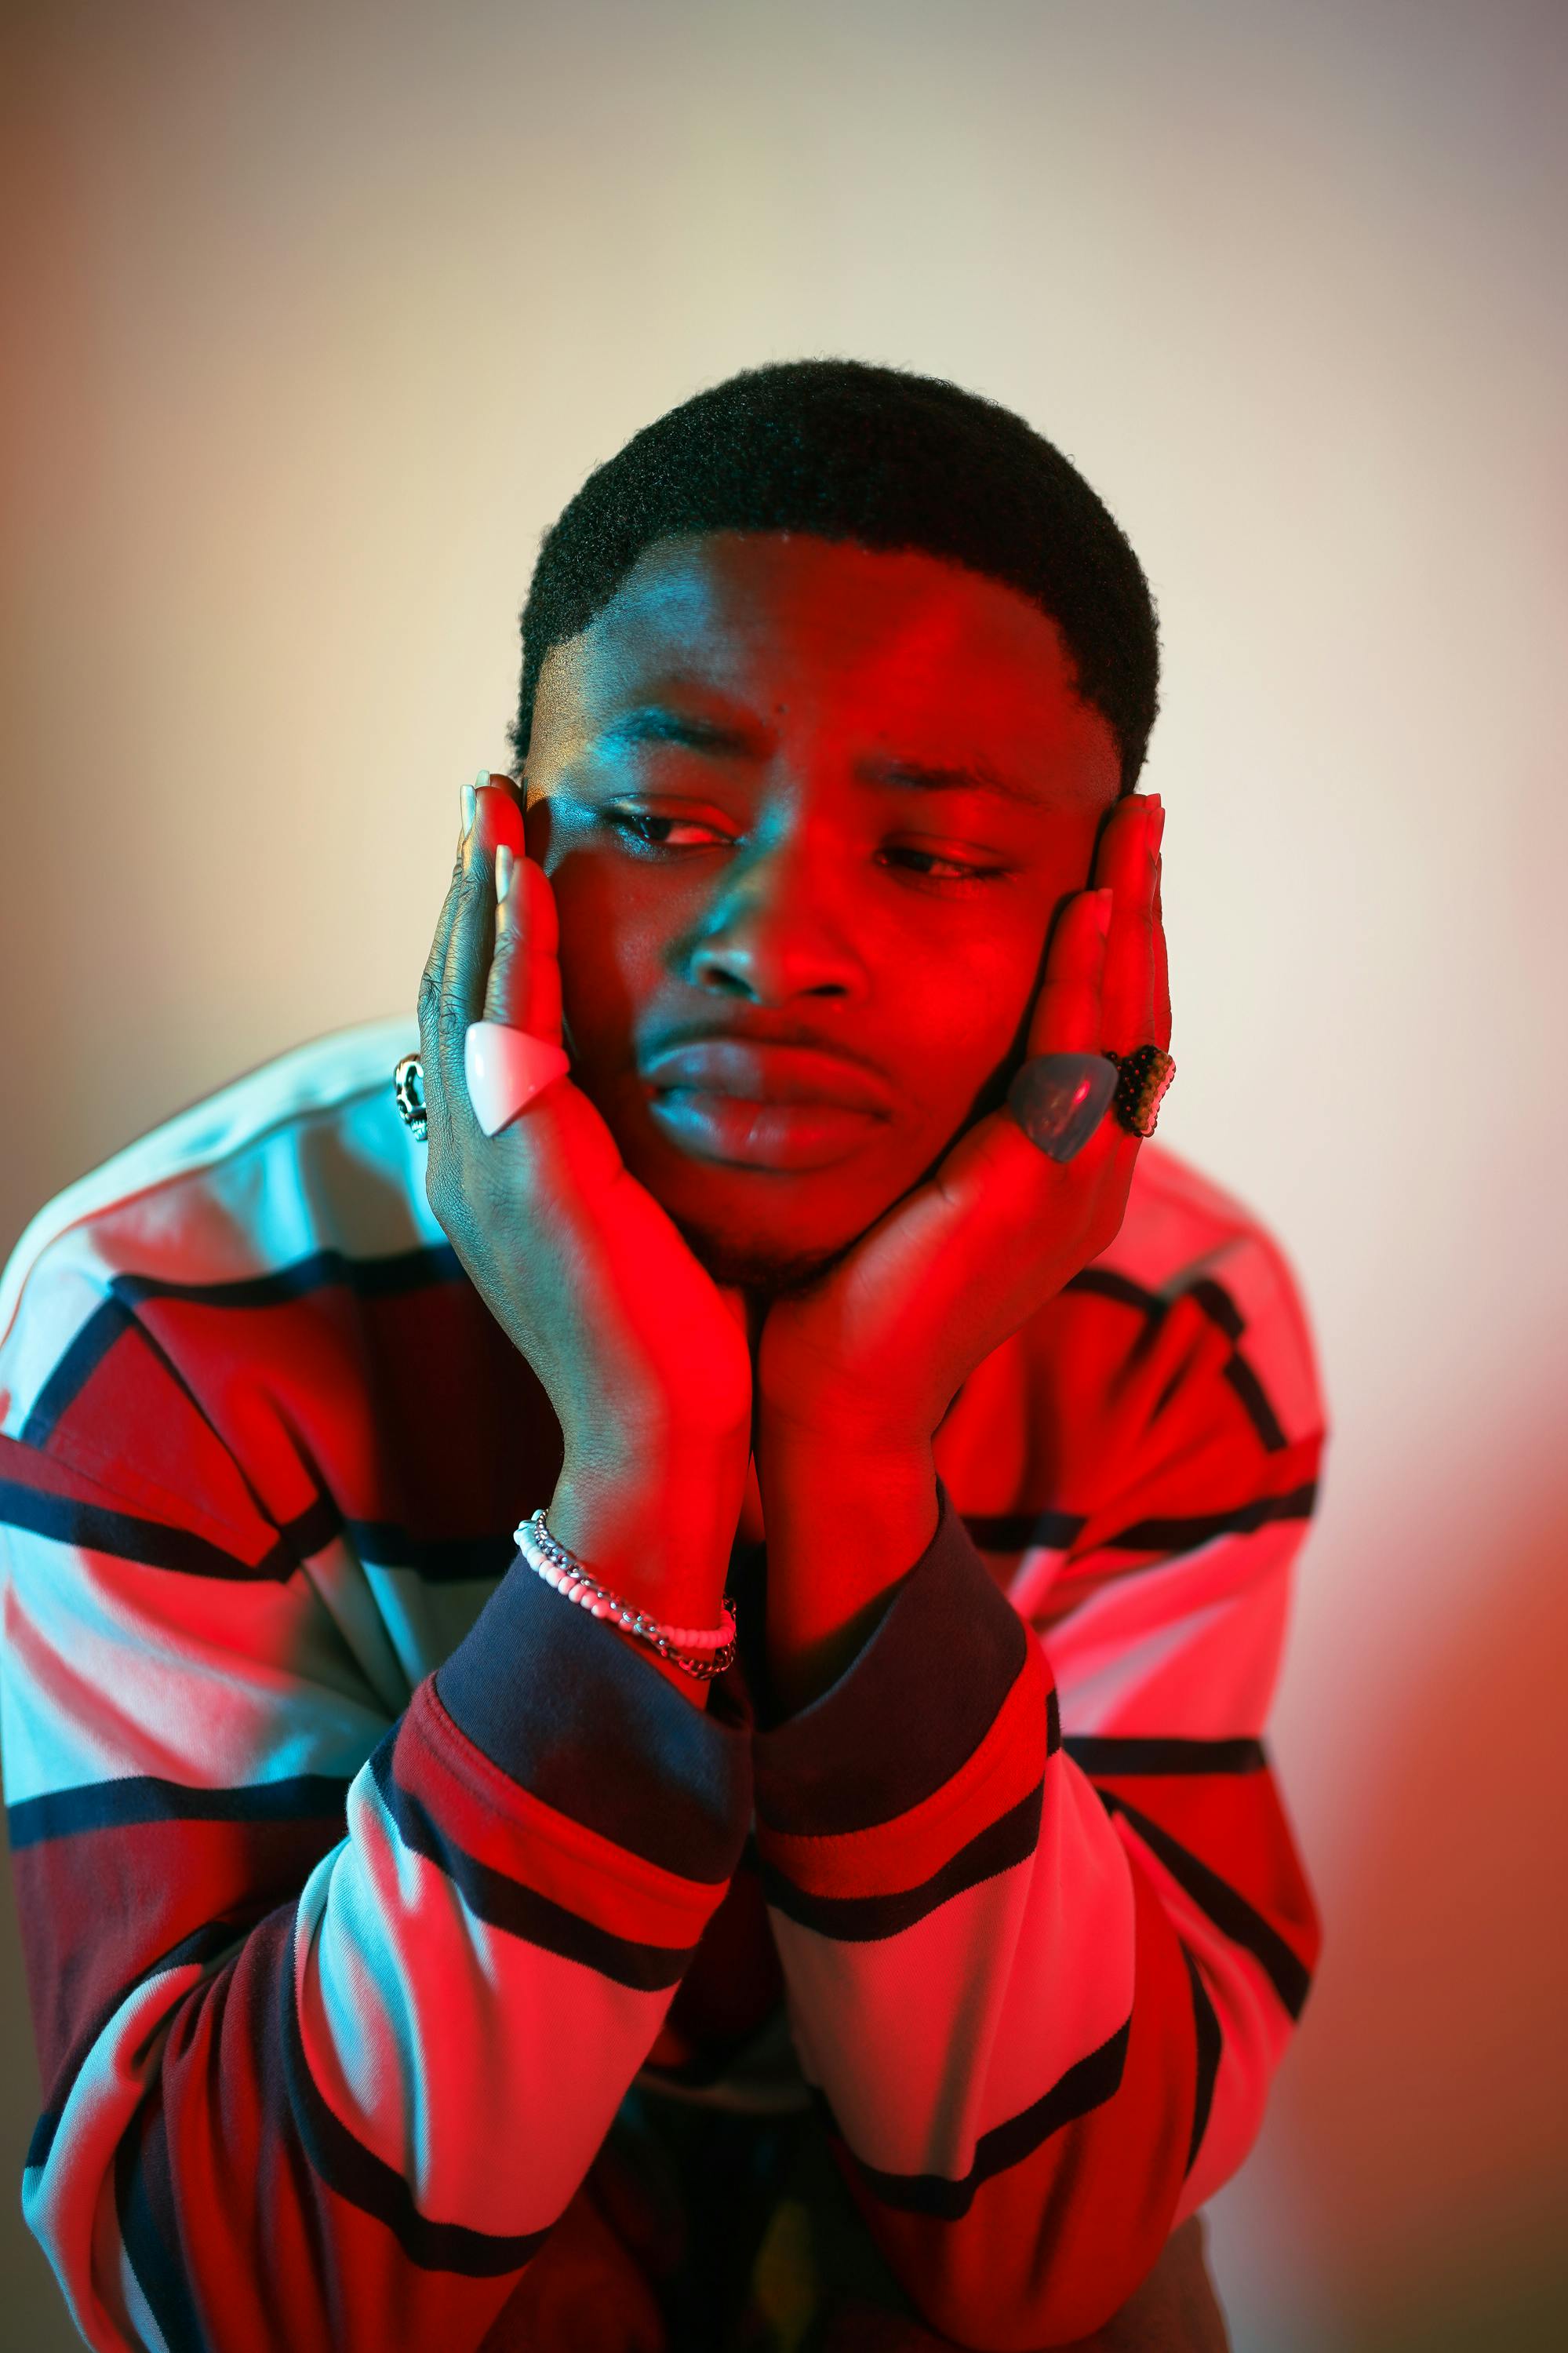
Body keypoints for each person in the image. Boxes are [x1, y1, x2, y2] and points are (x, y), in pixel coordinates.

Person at [0, 361, 1326, 2351]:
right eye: (659, 818)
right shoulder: (164, 1312)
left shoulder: (1178, 1334)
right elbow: (250, 2293)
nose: (777, 943)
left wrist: (857, 1458)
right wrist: (636, 1475)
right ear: (506, 848)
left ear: (1106, 907)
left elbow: (1053, 2233)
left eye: (941, 857)